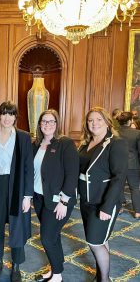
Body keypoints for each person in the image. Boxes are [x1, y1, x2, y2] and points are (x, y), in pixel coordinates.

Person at [78, 107, 128, 282]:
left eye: (99, 119)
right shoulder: (85, 143)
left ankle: (104, 280)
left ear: (107, 121)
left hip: (103, 202)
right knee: (101, 239)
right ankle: (100, 275)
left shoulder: (116, 143)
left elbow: (119, 177)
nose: (94, 123)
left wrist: (107, 206)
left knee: (95, 242)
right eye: (91, 120)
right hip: (86, 201)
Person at [0, 101, 34, 282]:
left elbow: (29, 167)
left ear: (16, 117)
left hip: (18, 186)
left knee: (18, 227)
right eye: (4, 113)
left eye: (11, 114)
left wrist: (27, 196)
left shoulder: (23, 137)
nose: (7, 118)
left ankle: (16, 266)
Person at [33, 109, 79, 282]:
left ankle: (57, 275)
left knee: (47, 237)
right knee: (53, 235)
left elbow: (72, 173)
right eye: (44, 121)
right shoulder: (36, 143)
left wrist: (64, 201)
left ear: (57, 124)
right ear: (39, 124)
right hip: (39, 198)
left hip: (59, 200)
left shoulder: (65, 143)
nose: (48, 125)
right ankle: (55, 269)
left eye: (52, 121)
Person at [117, 111, 140, 219]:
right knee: (134, 188)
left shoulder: (114, 132)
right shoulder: (137, 133)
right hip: (133, 164)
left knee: (118, 186)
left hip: (117, 163)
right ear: (130, 121)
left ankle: (119, 208)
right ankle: (137, 212)